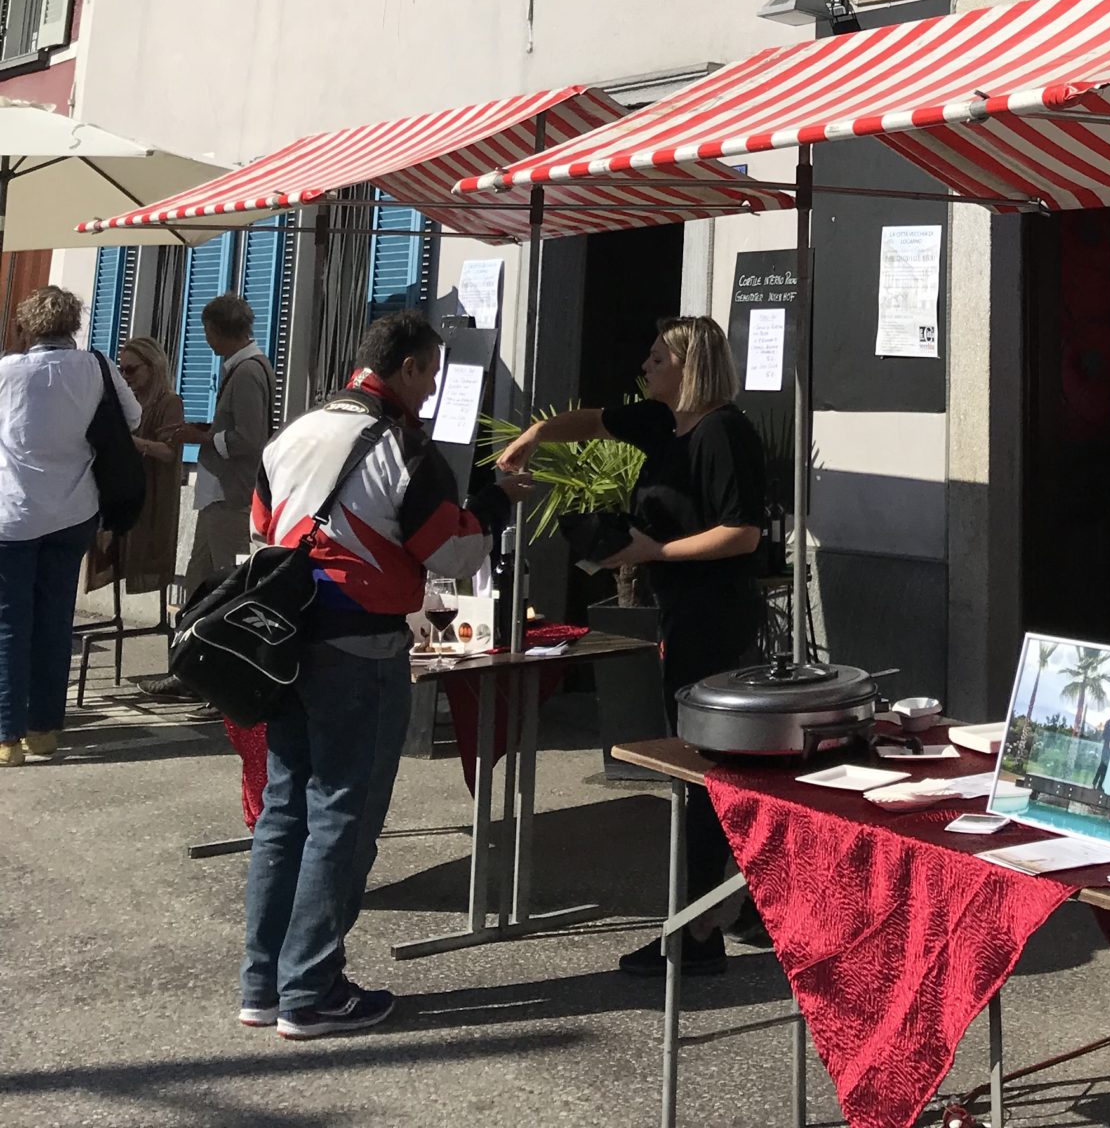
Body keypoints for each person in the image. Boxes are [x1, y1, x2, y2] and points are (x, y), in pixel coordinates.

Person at [241, 306, 520, 1039]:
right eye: (430, 373)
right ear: (407, 368)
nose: (432, 390)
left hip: (284, 643)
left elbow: (262, 532)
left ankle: (263, 983)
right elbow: (451, 556)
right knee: (343, 814)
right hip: (360, 649)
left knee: (284, 810)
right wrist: (494, 503)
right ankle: (312, 991)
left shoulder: (293, 431)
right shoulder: (404, 446)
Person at [499, 314, 765, 982]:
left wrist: (657, 550)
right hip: (678, 611)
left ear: (689, 365)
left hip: (715, 617)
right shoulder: (660, 423)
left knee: (706, 770)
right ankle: (728, 909)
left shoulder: (722, 430)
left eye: (656, 358)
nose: (645, 367)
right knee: (701, 769)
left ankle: (699, 929)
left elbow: (742, 532)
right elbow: (591, 419)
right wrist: (534, 434)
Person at [0, 283, 141, 765]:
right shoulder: (95, 367)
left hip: (12, 513)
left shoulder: (7, 372)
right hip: (75, 512)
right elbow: (133, 419)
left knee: (9, 623)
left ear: (27, 326)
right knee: (56, 620)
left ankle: (6, 736)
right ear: (73, 323)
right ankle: (43, 728)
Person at [182, 292, 274, 601]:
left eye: (207, 331)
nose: (207, 340)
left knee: (228, 583)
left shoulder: (247, 372)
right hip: (217, 496)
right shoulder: (244, 368)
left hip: (230, 495)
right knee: (199, 579)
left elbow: (249, 438)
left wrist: (203, 438)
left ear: (217, 330)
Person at [88, 336, 185, 608]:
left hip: (152, 494)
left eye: (131, 369)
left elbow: (169, 451)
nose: (125, 376)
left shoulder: (169, 402)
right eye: (121, 370)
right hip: (122, 491)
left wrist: (133, 443)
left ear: (152, 366)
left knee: (145, 553)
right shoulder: (123, 403)